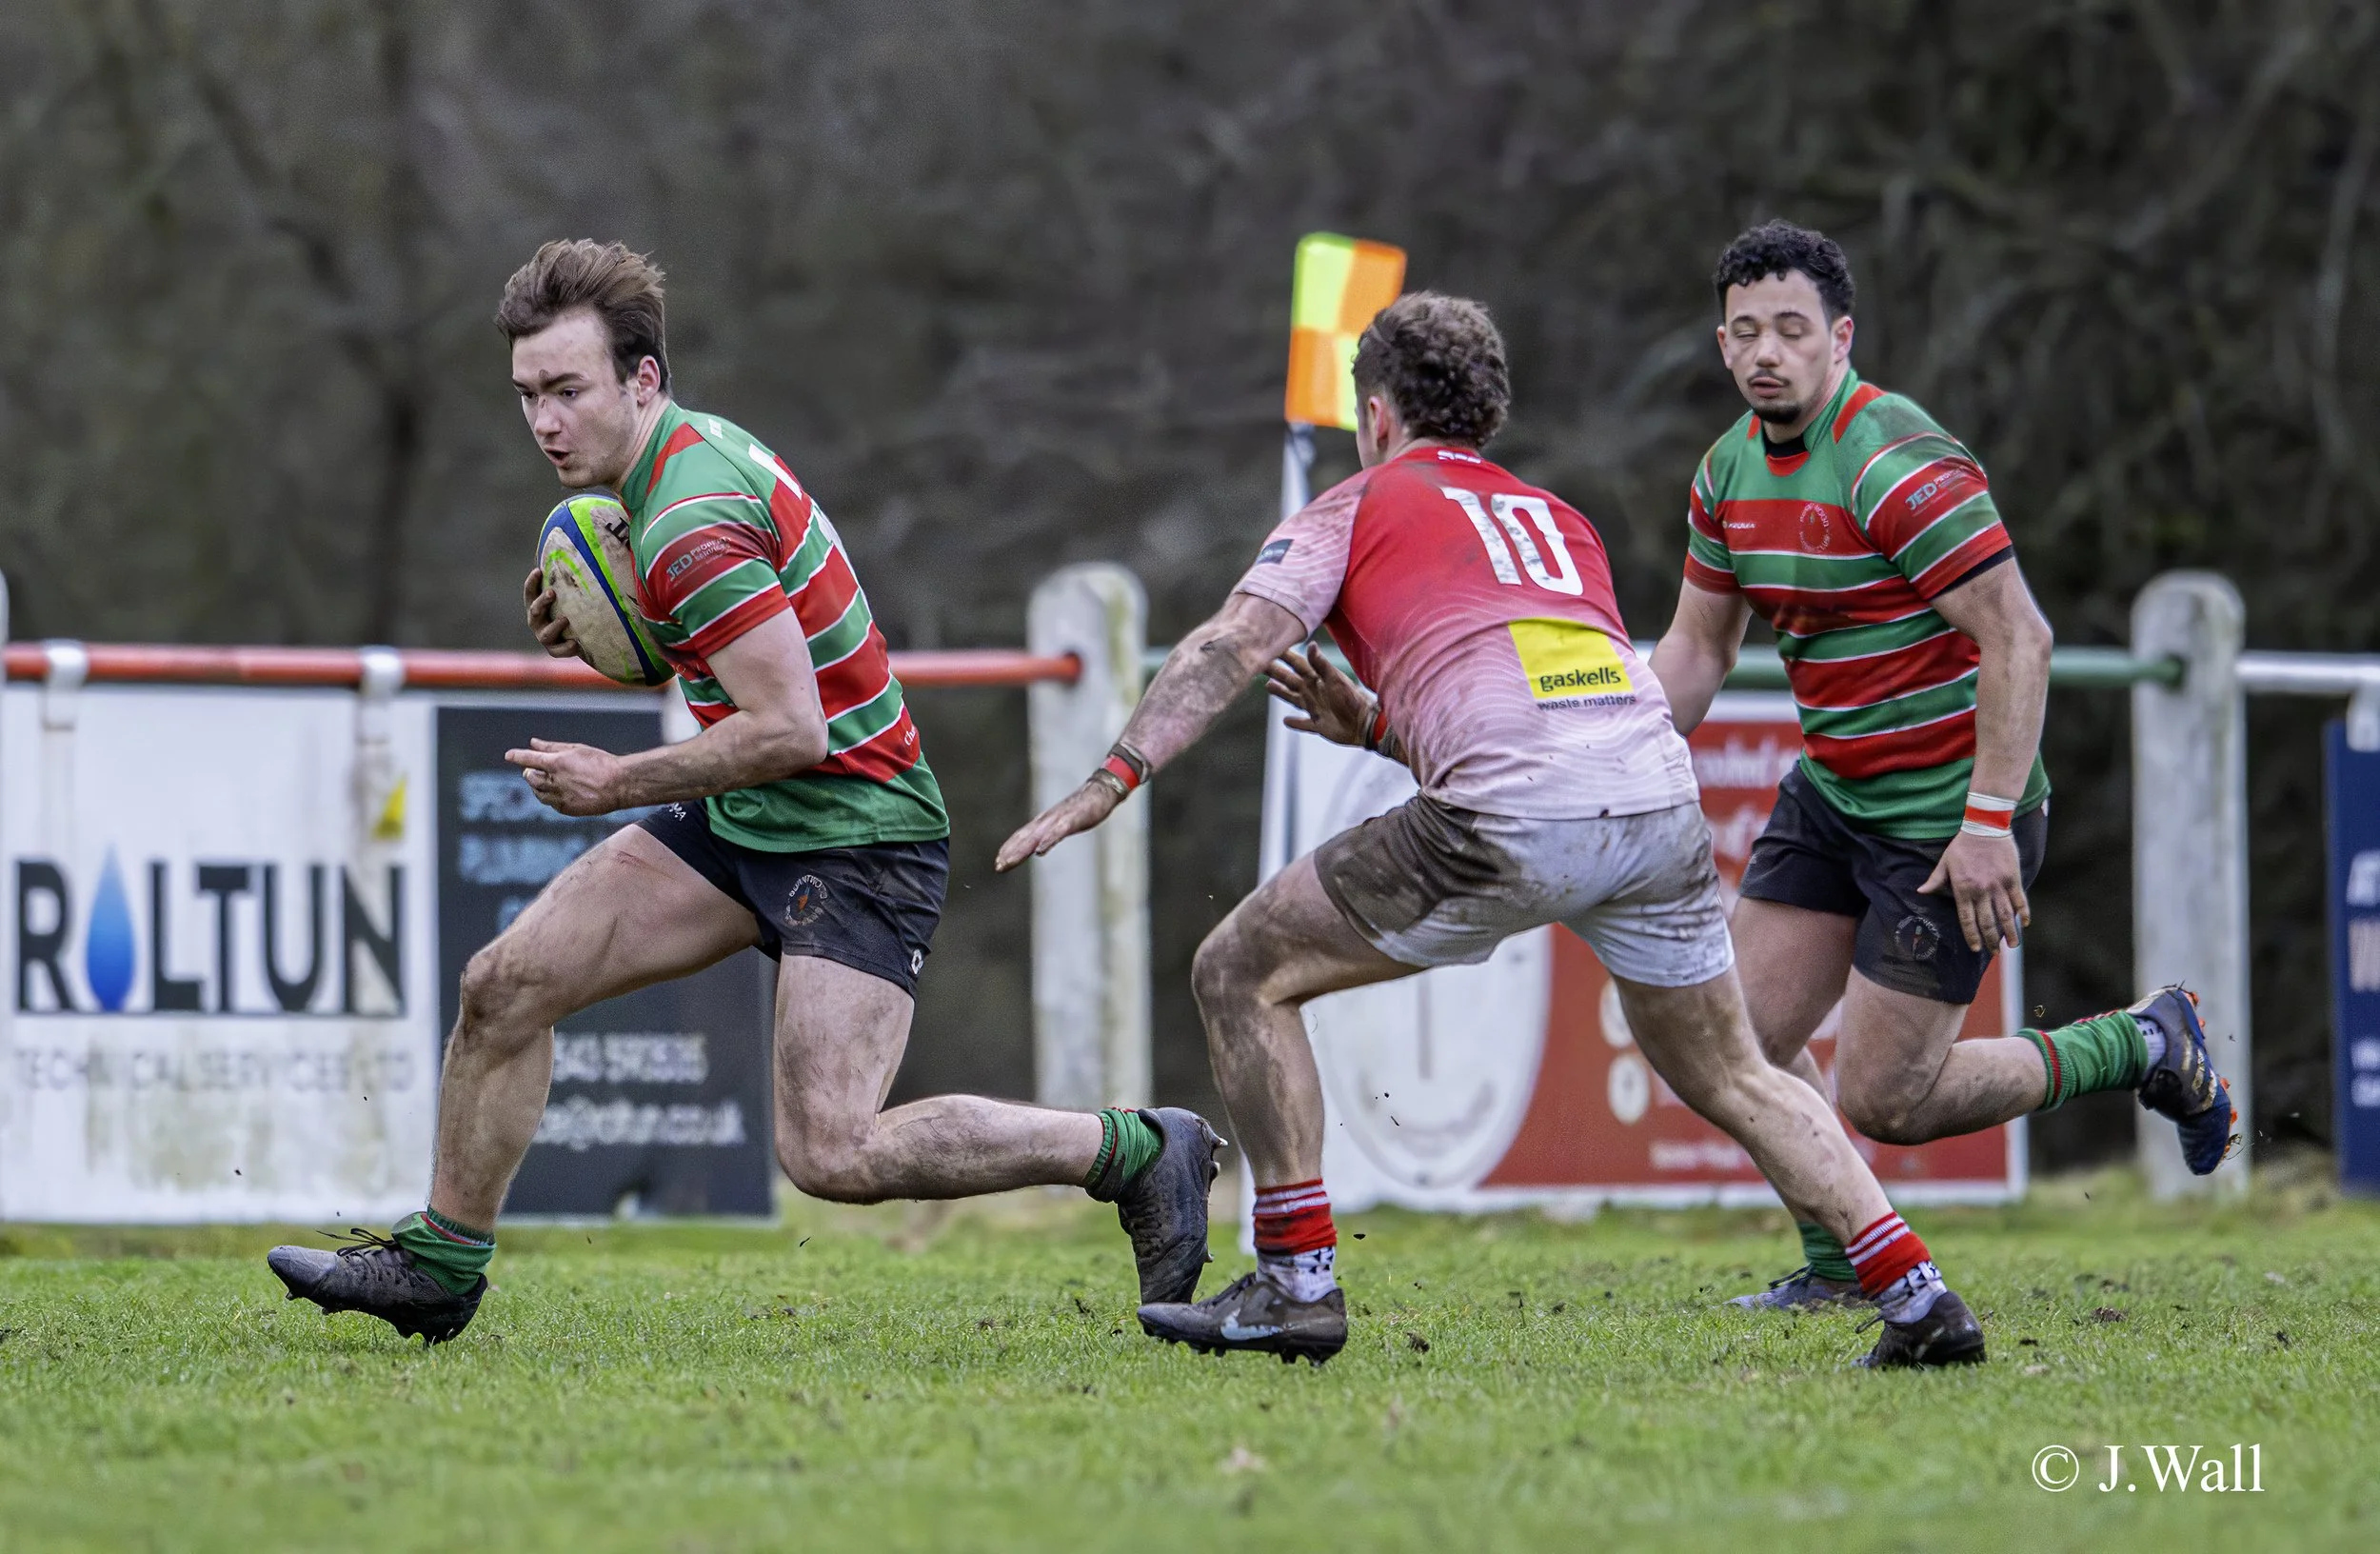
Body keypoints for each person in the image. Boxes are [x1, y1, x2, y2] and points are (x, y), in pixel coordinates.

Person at [1000, 291, 1986, 1368]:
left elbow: (1227, 646)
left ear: (1377, 416)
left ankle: (1294, 1286)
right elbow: (1539, 712)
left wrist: (1113, 776)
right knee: (1735, 1071)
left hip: (1510, 817)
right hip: (1657, 805)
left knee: (1238, 972)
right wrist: (1378, 727)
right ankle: (1919, 1296)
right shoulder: (1558, 522)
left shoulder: (1354, 504)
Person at [268, 240, 1219, 1344]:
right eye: (527, 395)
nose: (544, 422)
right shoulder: (671, 473)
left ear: (642, 379)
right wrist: (620, 635)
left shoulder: (688, 521)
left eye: (568, 390)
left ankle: (1138, 1149)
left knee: (832, 1152)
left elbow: (791, 728)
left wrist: (617, 779)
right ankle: (439, 1265)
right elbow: (737, 671)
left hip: (859, 832)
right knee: (505, 986)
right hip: (749, 816)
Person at [1649, 221, 2236, 1308]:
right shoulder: (1726, 470)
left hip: (1944, 818)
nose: (1767, 351)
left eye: (1791, 329)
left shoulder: (1893, 461)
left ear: (1841, 337)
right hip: (1833, 796)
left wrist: (1986, 822)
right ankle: (1841, 1264)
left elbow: (2022, 637)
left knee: (1890, 1100)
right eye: (1746, 331)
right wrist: (1607, 757)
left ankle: (2139, 1043)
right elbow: (1695, 651)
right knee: (1732, 1046)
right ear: (1721, 343)